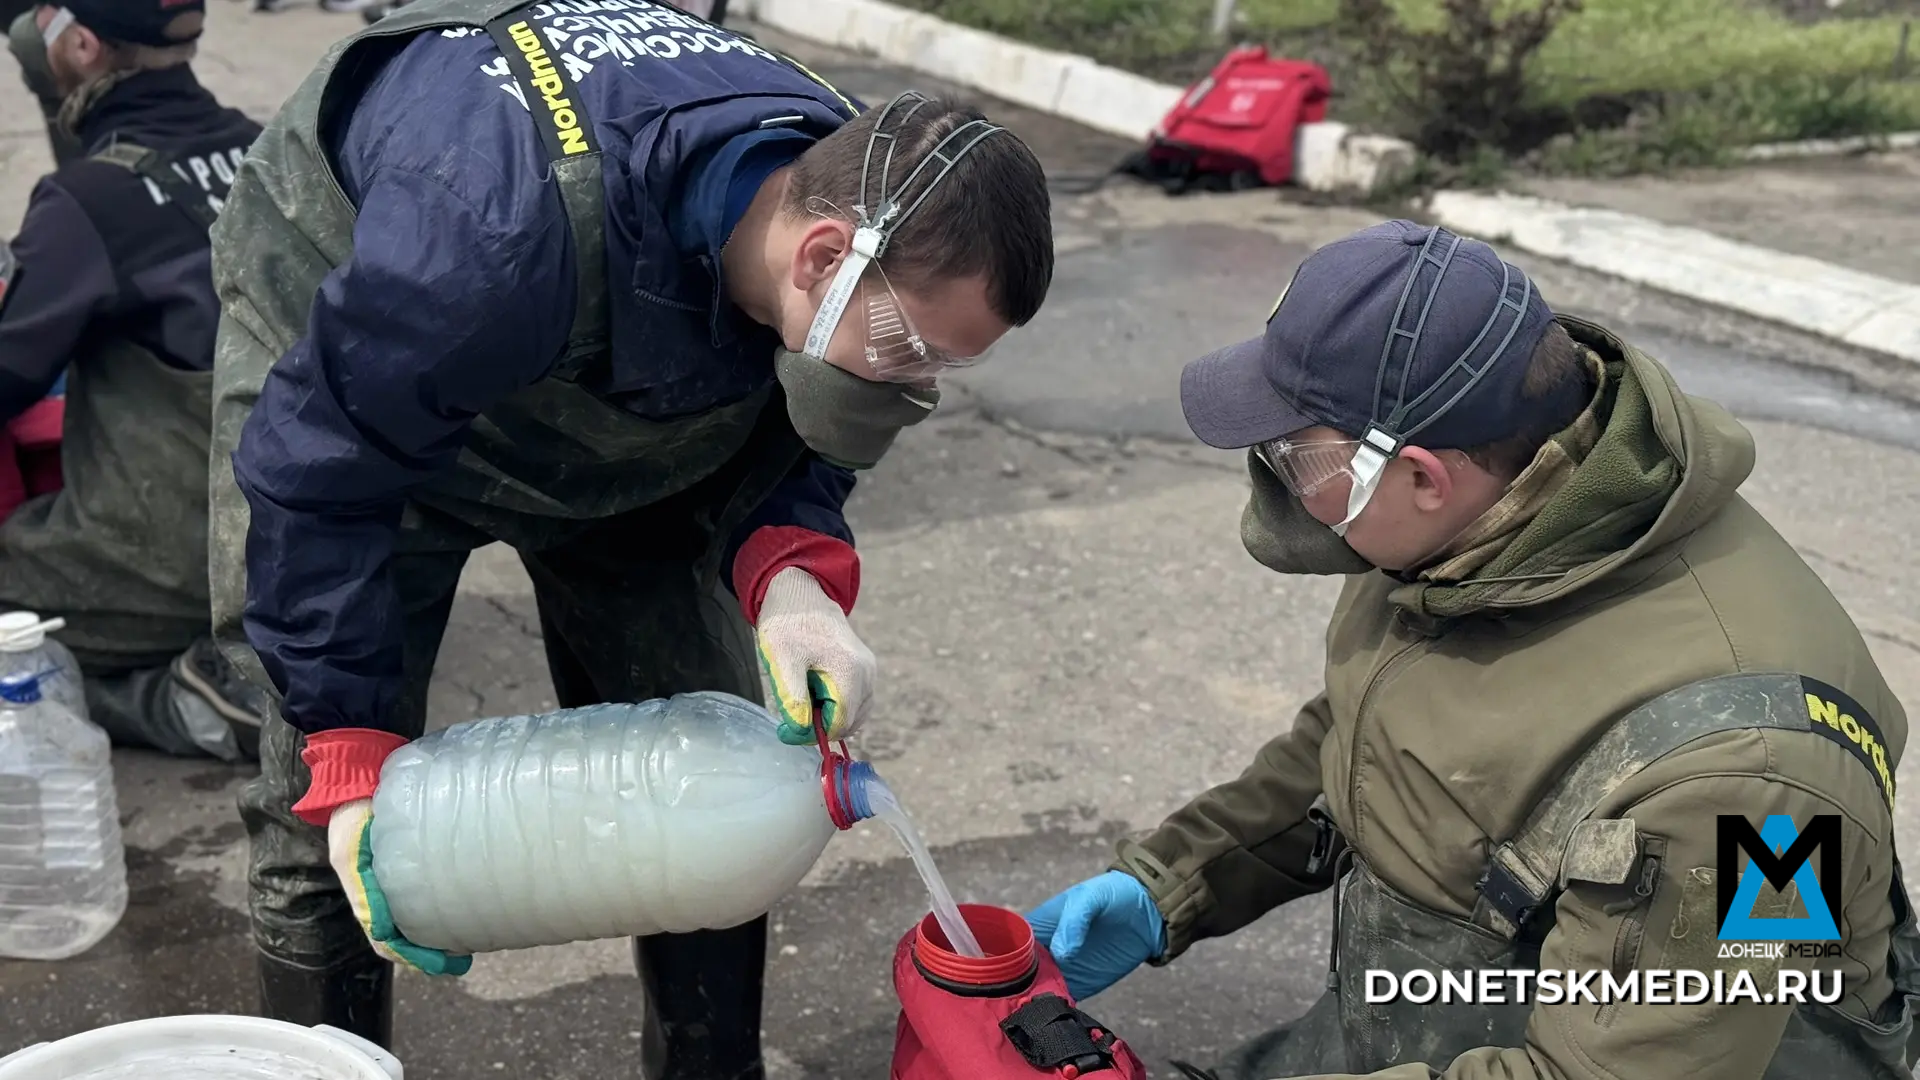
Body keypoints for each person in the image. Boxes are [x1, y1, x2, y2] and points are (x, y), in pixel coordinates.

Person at [205, 0, 1053, 1074]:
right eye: (911, 345)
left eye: (949, 363)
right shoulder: (481, 238)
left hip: (627, 394)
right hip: (365, 384)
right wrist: (347, 748)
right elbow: (320, 473)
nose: (919, 381)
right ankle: (316, 1058)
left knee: (706, 768)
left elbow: (815, 419)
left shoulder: (837, 200)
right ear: (821, 254)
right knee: (325, 815)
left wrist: (792, 573)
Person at [1026, 221, 1920, 1080]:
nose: (1286, 491)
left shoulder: (1762, 784)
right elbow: (1376, 737)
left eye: (1298, 460)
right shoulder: (1476, 531)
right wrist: (1176, 879)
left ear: (1420, 474)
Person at [0, 0, 270, 763]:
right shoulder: (264, 151)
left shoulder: (87, 200)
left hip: (183, 558)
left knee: (16, 638)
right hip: (305, 540)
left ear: (82, 46)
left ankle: (189, 697)